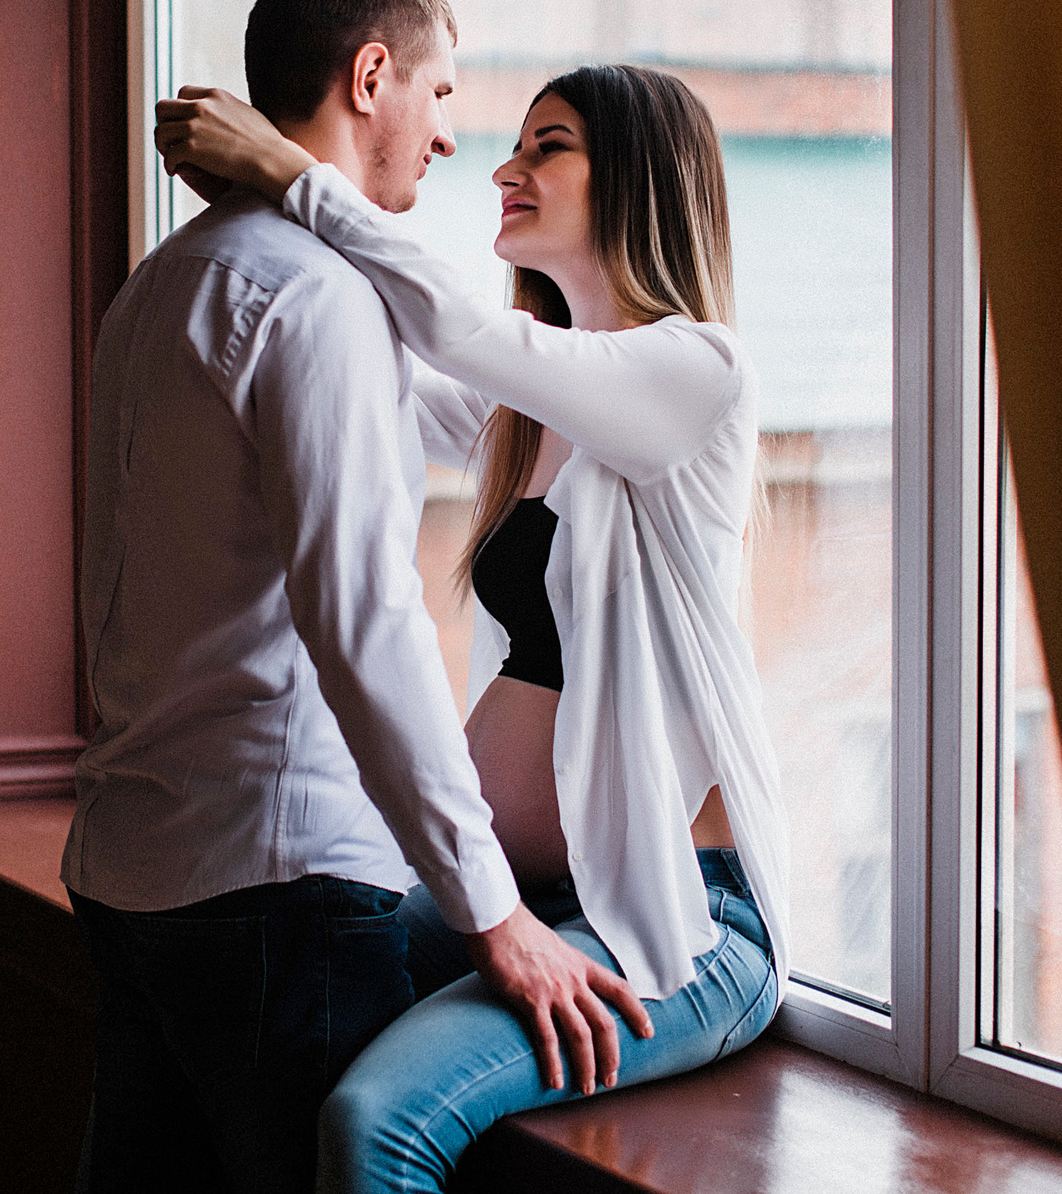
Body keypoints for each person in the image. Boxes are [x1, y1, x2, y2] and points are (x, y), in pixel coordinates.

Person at [62, 0, 648, 1194]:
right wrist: (492, 914)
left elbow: (481, 421)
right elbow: (365, 626)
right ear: (371, 75)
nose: (449, 140)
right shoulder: (312, 301)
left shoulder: (161, 286)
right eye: (440, 96)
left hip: (131, 873)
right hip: (274, 889)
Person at [154, 59, 789, 1194]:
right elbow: (378, 359)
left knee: (372, 1124)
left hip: (672, 925)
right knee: (281, 1021)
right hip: (516, 899)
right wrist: (267, 218)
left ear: (639, 178)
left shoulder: (698, 372)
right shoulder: (529, 414)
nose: (504, 167)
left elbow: (450, 325)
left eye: (548, 146)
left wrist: (291, 173)